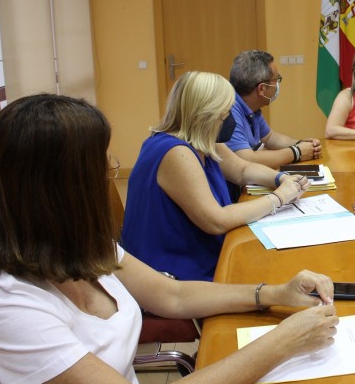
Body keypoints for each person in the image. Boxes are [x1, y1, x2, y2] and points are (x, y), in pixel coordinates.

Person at [0, 93, 339, 384]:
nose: (113, 168)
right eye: (103, 168)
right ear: (60, 191)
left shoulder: (73, 245)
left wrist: (274, 293)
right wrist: (282, 343)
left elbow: (172, 296)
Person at [121, 71, 310, 281]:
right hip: (174, 274)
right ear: (207, 114)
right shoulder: (175, 152)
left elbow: (242, 170)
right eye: (226, 111)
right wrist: (278, 198)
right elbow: (216, 221)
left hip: (202, 255)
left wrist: (281, 179)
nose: (229, 118)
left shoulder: (203, 142)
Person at [227, 50, 322, 167]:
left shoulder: (251, 106)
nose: (277, 85)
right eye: (277, 80)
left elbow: (270, 138)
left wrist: (301, 144)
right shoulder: (228, 112)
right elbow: (247, 158)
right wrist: (297, 152)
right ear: (262, 88)